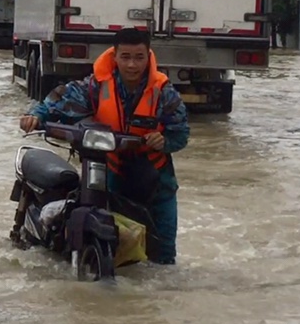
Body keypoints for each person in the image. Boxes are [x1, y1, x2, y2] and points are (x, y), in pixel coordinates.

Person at [19, 27, 189, 264]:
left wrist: (165, 141)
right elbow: (59, 101)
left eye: (139, 57)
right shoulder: (96, 86)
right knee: (113, 246)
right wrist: (36, 116)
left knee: (163, 260)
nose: (132, 65)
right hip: (112, 176)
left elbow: (181, 134)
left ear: (148, 56)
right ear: (115, 56)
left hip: (157, 184)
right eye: (126, 57)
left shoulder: (165, 93)